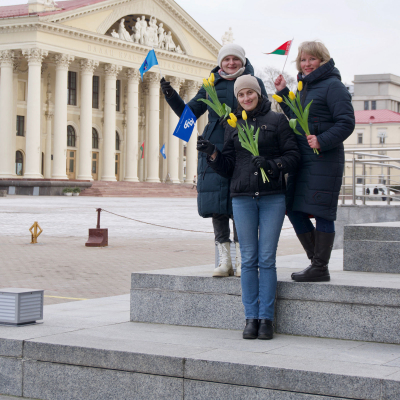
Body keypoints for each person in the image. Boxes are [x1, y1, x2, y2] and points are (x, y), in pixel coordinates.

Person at [197, 75, 300, 339]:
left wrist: (272, 165)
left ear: (258, 93)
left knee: (266, 259)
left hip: (272, 197)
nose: (245, 98)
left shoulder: (276, 120)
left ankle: (266, 318)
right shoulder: (233, 123)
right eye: (240, 95)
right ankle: (250, 317)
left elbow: (293, 157)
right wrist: (213, 154)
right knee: (249, 260)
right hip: (241, 198)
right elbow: (229, 166)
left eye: (249, 93)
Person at [160, 44, 268, 278]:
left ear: (242, 61)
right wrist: (171, 96)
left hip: (243, 148)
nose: (231, 63)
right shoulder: (209, 84)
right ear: (220, 62)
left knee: (241, 206)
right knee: (217, 206)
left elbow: (265, 111)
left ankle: (242, 261)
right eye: (226, 59)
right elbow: (189, 115)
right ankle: (225, 262)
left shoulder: (253, 83)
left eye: (235, 59)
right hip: (213, 149)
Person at [274, 41, 355, 282]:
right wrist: (283, 94)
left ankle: (320, 266)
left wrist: (322, 140)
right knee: (293, 209)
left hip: (324, 159)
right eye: (303, 60)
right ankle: (316, 263)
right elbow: (298, 119)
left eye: (312, 59)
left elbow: (347, 122)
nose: (307, 64)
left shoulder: (333, 86)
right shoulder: (304, 86)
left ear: (323, 60)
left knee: (322, 213)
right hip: (303, 158)